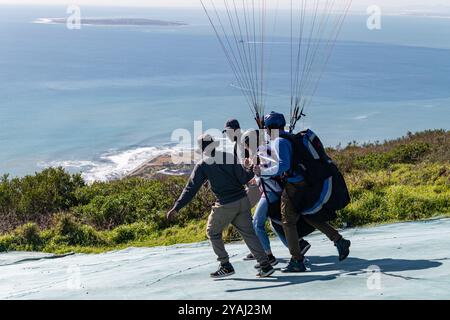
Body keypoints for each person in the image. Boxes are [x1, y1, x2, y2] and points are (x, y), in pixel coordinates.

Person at [166, 134, 275, 278]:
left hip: (225, 204)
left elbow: (190, 189)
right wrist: (250, 169)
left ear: (202, 148)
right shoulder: (229, 156)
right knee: (249, 234)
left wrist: (177, 207)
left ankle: (225, 265)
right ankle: (265, 266)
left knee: (212, 232)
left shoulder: (203, 164)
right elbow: (244, 178)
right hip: (243, 201)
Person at [254, 112, 351, 273]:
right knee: (308, 214)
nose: (265, 131)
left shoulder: (279, 141)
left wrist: (261, 172)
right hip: (306, 184)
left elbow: (283, 166)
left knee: (287, 222)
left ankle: (297, 260)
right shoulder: (290, 137)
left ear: (270, 128)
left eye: (266, 128)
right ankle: (339, 240)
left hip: (294, 187)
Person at [240, 129, 312, 268]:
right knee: (274, 224)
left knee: (257, 223)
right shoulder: (263, 151)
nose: (246, 148)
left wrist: (258, 171)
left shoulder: (263, 152)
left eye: (246, 144)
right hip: (271, 191)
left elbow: (271, 172)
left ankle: (268, 257)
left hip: (270, 193)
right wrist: (255, 176)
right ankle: (299, 246)